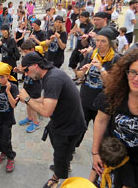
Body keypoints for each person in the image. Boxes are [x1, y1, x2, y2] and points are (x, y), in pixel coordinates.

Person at [18, 51, 86, 188]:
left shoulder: (53, 78)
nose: (25, 74)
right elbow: (47, 98)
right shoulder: (49, 74)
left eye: (26, 70)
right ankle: (63, 164)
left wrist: (27, 99)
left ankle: (57, 178)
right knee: (61, 153)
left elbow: (46, 111)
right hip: (62, 121)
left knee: (61, 153)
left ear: (36, 65)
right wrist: (28, 101)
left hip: (69, 126)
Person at [92, 49, 138, 186]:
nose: (136, 79)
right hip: (111, 154)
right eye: (133, 72)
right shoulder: (113, 94)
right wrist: (95, 153)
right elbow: (100, 121)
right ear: (126, 72)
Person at [76, 27, 121, 147]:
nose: (99, 44)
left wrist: (101, 68)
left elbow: (113, 84)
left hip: (102, 104)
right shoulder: (91, 54)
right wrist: (83, 69)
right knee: (78, 128)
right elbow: (79, 75)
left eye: (103, 41)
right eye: (97, 40)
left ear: (110, 43)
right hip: (85, 98)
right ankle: (71, 150)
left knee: (102, 133)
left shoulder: (116, 59)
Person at [18, 40, 41, 133]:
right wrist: (19, 71)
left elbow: (38, 74)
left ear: (32, 49)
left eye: (26, 52)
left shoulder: (37, 59)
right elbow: (24, 71)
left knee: (33, 104)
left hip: (35, 85)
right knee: (27, 102)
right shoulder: (27, 58)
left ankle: (36, 123)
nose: (24, 54)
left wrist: (26, 70)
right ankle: (30, 118)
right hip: (27, 83)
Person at [68, 11, 94, 82]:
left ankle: (81, 78)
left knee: (82, 64)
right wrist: (76, 33)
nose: (80, 19)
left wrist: (81, 32)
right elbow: (79, 36)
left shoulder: (90, 26)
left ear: (87, 17)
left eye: (82, 17)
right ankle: (77, 75)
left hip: (85, 48)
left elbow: (88, 37)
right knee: (72, 62)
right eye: (80, 17)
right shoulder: (81, 24)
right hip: (78, 46)